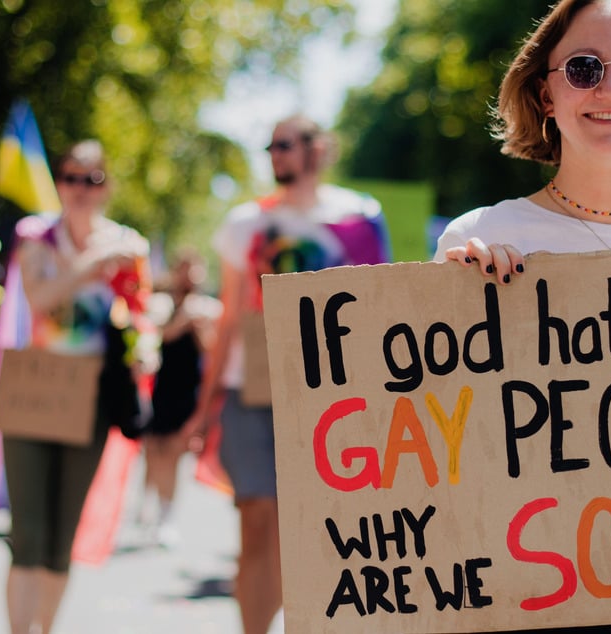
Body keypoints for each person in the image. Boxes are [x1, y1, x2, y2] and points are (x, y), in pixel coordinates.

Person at [435, 1, 611, 633]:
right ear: (546, 93)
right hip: (518, 593)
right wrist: (456, 307)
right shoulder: (481, 235)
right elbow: (441, 442)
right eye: (586, 68)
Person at [191, 114, 390, 634]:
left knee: (318, 530)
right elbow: (230, 315)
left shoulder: (360, 217)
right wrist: (204, 406)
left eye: (285, 145)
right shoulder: (246, 223)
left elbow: (379, 307)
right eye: (270, 146)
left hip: (332, 395)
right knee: (256, 520)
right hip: (249, 389)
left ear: (317, 149)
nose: (275, 155)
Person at [1, 139, 150, 634]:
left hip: (91, 398)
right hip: (35, 390)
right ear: (59, 181)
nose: (81, 189)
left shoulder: (129, 244)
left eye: (92, 179)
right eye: (71, 177)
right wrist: (90, 263)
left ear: (105, 186)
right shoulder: (36, 236)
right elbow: (39, 300)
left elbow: (140, 315)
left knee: (62, 535)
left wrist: (146, 345)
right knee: (28, 533)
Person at [140, 248, 220, 547]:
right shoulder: (163, 304)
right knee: (154, 449)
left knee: (173, 452)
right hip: (158, 388)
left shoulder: (208, 308)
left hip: (188, 391)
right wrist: (182, 320)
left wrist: (199, 328)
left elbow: (212, 350)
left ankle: (166, 515)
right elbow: (157, 337)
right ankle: (150, 500)